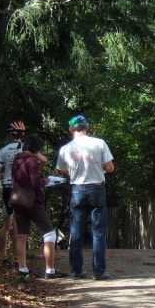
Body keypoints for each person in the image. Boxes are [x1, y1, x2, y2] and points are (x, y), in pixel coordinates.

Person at [55, 115, 114, 280]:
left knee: (76, 231)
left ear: (70, 130)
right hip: (96, 188)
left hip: (77, 190)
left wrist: (73, 166)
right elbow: (110, 168)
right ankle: (99, 271)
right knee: (98, 232)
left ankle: (76, 270)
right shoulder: (99, 143)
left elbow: (59, 170)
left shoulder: (66, 148)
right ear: (87, 127)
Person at [11, 135, 65, 279]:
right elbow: (35, 183)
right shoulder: (31, 161)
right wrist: (45, 181)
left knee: (22, 236)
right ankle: (50, 270)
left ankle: (22, 269)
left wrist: (39, 156)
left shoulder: (17, 159)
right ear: (37, 149)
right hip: (32, 202)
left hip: (18, 201)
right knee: (49, 234)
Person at [0, 121, 32, 266]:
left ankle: (2, 255)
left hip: (7, 188)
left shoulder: (3, 151)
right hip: (20, 188)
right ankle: (16, 257)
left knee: (6, 224)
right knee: (18, 224)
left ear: (9, 135)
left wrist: (7, 174)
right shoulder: (26, 149)